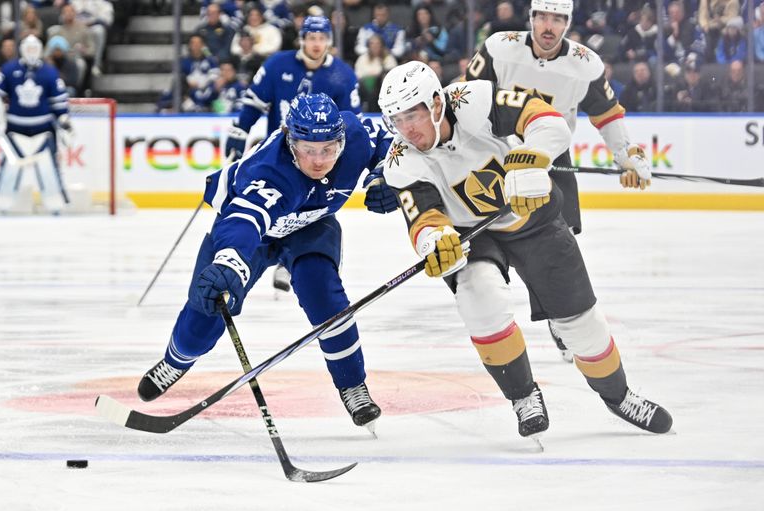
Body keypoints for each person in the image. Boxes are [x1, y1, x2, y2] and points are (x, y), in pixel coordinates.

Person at [377, 61, 673, 439]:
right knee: (478, 298)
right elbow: (423, 219)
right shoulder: (401, 160)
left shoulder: (476, 99)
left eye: (412, 115)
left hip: (533, 219)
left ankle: (619, 396)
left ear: (436, 104)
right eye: (396, 120)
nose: (406, 129)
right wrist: (435, 243)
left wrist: (532, 157)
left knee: (583, 326)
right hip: (472, 234)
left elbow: (548, 120)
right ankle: (522, 396)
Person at [137, 93, 395, 431]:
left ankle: (352, 385)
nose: (318, 161)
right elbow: (244, 221)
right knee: (205, 311)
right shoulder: (272, 173)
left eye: (328, 150)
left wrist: (386, 176)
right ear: (291, 140)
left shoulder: (355, 136)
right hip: (253, 235)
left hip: (310, 225)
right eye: (307, 149)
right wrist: (228, 262)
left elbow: (389, 144)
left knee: (325, 296)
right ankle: (176, 359)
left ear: (340, 140)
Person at [464, 0, 652, 361]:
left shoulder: (585, 65)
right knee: (514, 243)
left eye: (557, 19)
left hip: (549, 156)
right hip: (500, 159)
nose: (548, 27)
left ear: (568, 22)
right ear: (531, 18)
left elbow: (607, 115)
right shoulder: (499, 48)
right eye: (542, 17)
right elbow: (466, 101)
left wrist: (626, 155)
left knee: (557, 241)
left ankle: (562, 316)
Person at [224, 15, 362, 294]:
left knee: (311, 210)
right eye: (311, 38)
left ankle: (292, 261)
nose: (316, 44)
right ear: (302, 40)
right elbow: (254, 103)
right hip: (281, 158)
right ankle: (245, 257)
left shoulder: (343, 75)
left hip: (319, 158)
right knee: (263, 206)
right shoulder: (277, 65)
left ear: (329, 41)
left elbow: (352, 123)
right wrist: (240, 131)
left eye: (322, 38)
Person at [0, 34, 72, 214]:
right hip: (15, 128)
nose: (31, 52)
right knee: (10, 168)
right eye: (28, 49)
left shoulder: (49, 72)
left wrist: (64, 121)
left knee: (48, 169)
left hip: (44, 129)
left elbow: (59, 103)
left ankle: (55, 205)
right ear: (22, 50)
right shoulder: (9, 69)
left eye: (34, 49)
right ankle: (2, 203)